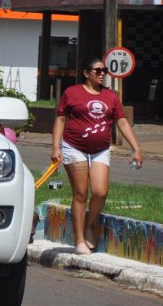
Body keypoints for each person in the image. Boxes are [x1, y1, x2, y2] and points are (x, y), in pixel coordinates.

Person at [50, 57, 143, 255]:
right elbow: (60, 120)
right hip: (74, 147)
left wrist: (136, 148)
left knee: (100, 192)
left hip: (100, 150)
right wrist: (56, 147)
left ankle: (89, 225)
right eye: (98, 71)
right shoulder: (72, 93)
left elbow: (122, 122)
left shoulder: (111, 96)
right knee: (81, 193)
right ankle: (79, 240)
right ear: (86, 73)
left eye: (105, 71)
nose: (102, 74)